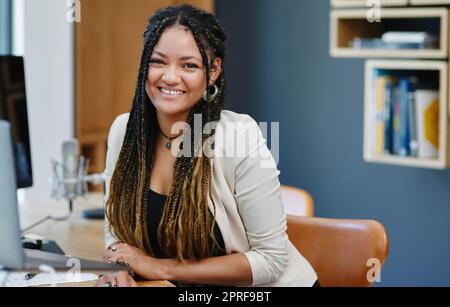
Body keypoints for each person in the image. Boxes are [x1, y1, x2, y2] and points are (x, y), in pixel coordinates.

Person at [96, 4, 318, 287]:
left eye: (189, 65)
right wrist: (119, 263)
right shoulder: (123, 133)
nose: (170, 77)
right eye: (158, 61)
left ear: (212, 72)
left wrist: (159, 268)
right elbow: (115, 229)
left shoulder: (241, 137)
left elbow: (271, 260)